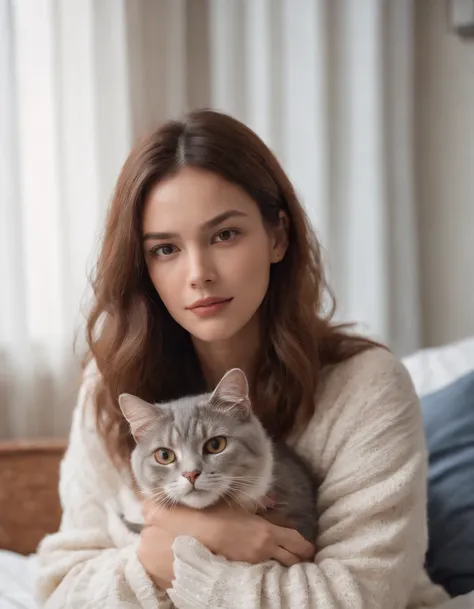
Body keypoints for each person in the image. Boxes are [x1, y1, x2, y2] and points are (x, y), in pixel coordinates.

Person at [35, 109, 449, 609]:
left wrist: (187, 560)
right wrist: (187, 545)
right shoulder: (109, 386)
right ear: (143, 267)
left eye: (224, 235)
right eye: (165, 249)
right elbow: (61, 590)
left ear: (277, 236)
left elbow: (356, 597)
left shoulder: (367, 385)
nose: (199, 273)